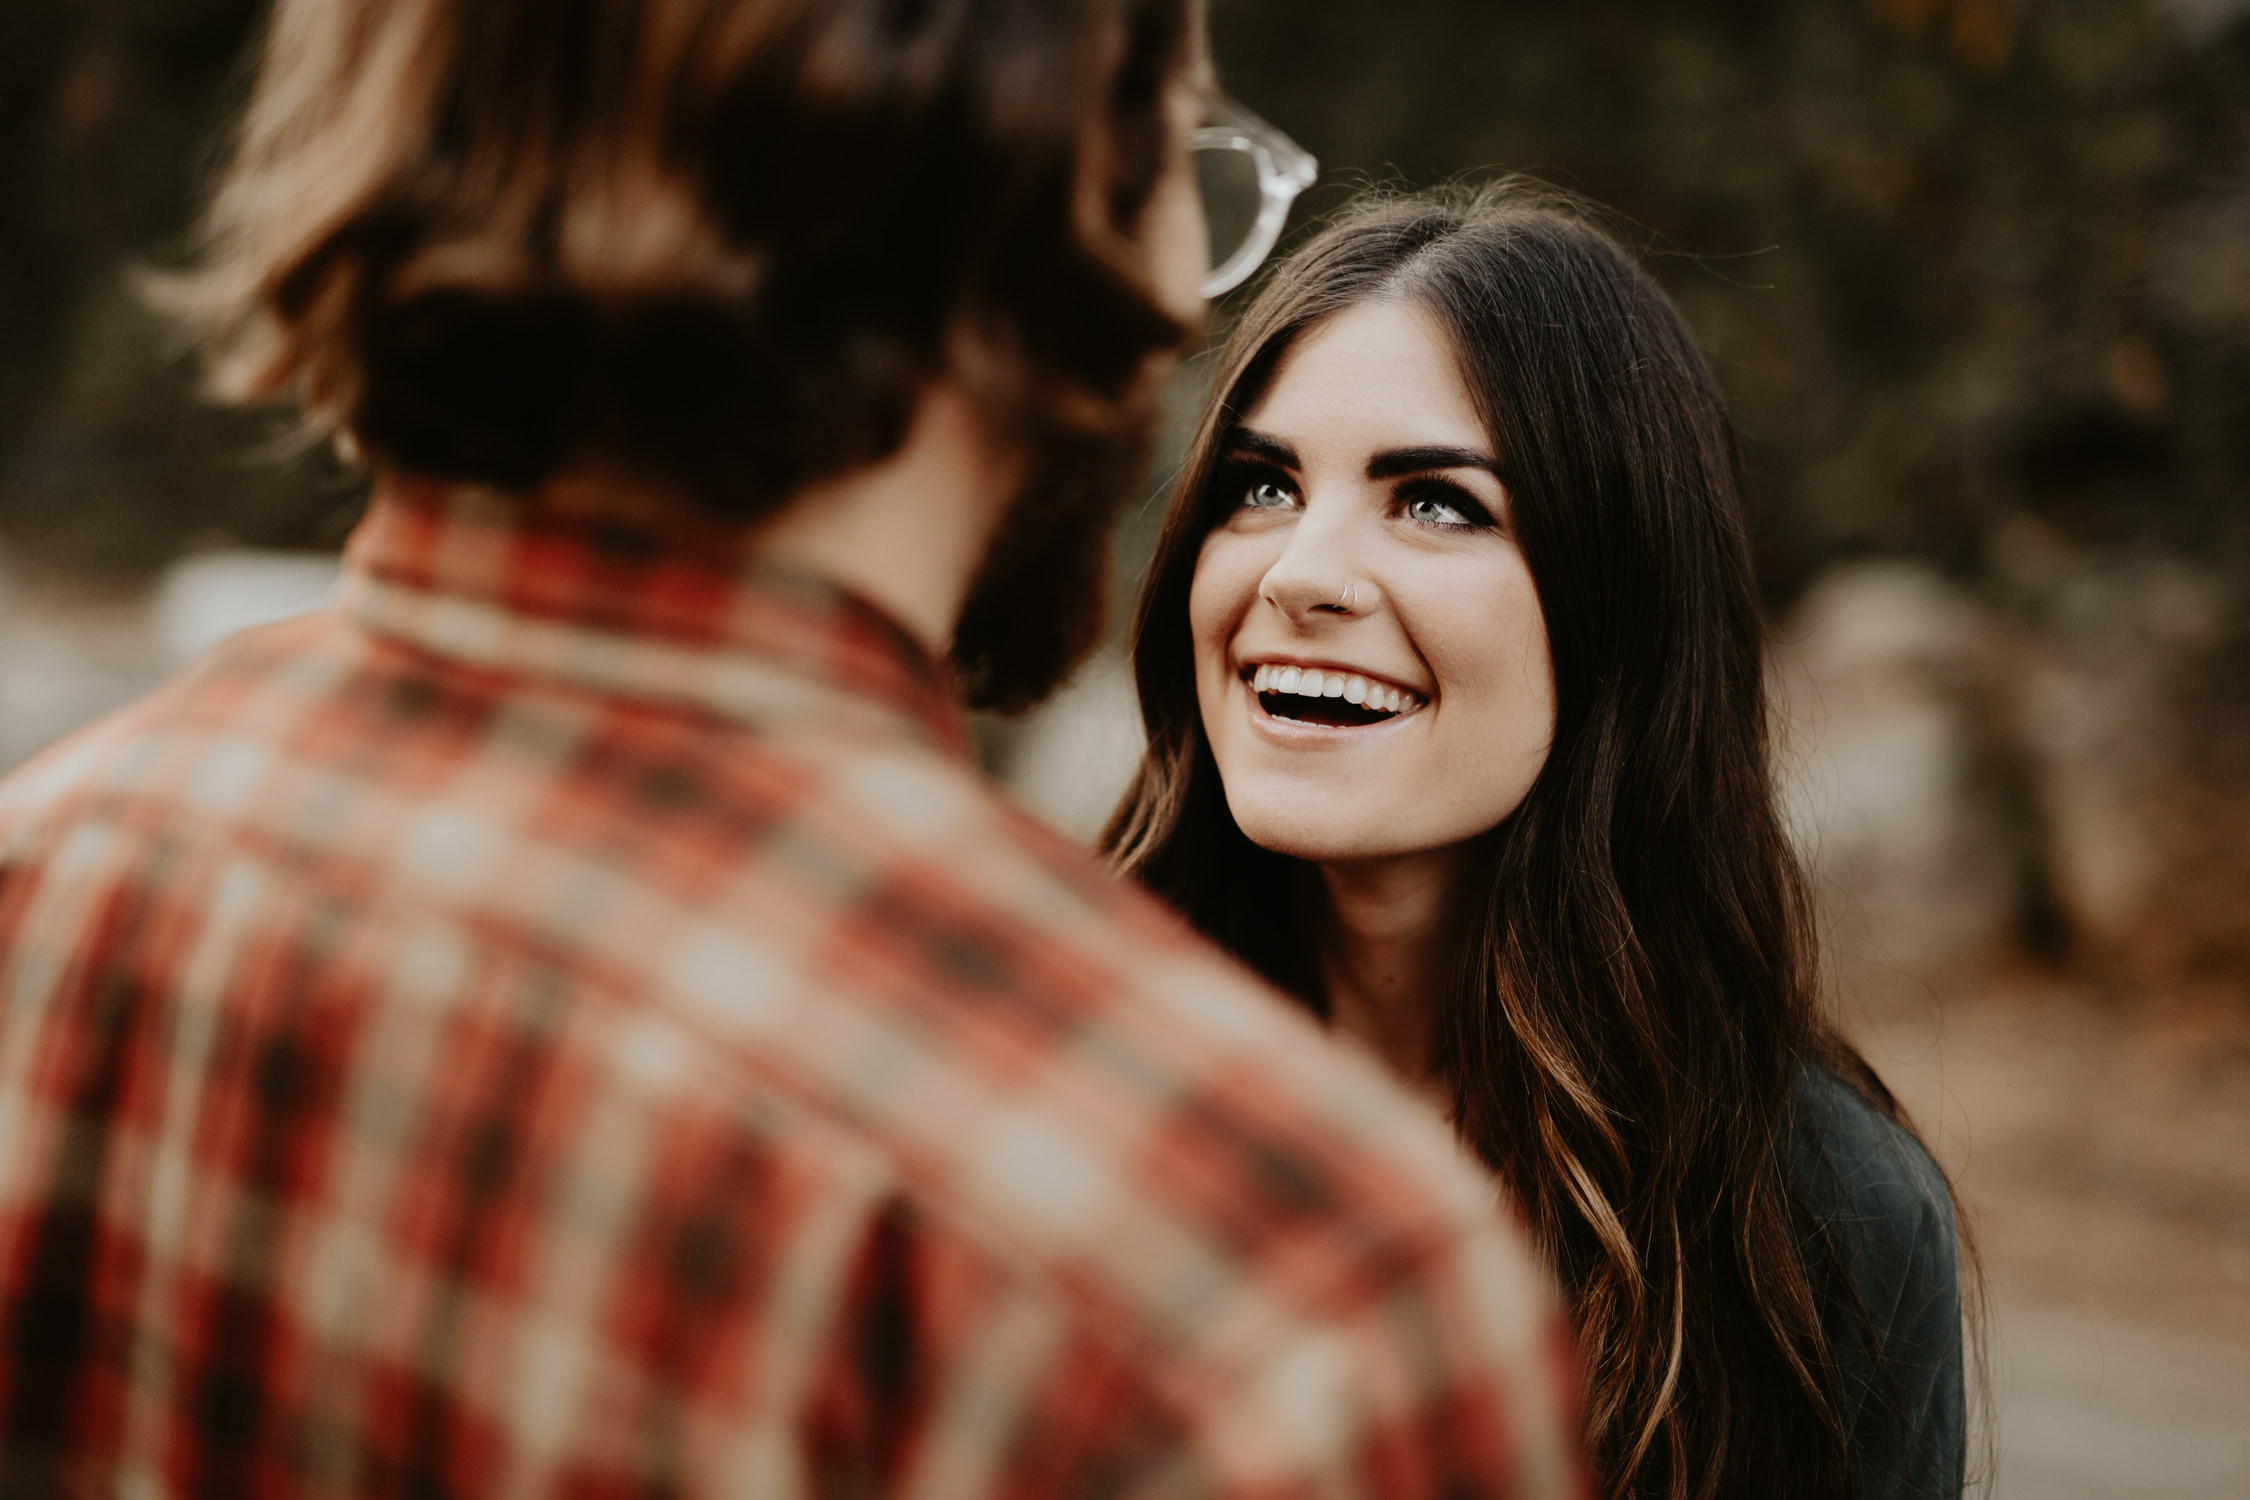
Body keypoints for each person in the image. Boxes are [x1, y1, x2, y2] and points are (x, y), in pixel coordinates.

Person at [0, 6, 1589, 1496]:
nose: (1188, 297)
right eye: (1183, 167)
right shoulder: (1276, 1301)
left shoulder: (49, 883)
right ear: (1033, 206)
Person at [1105, 181, 1967, 1500]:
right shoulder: (1032, 1076)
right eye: (1260, 485)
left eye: (1437, 502)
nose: (1296, 574)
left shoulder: (1822, 1223)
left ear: (1620, 608)